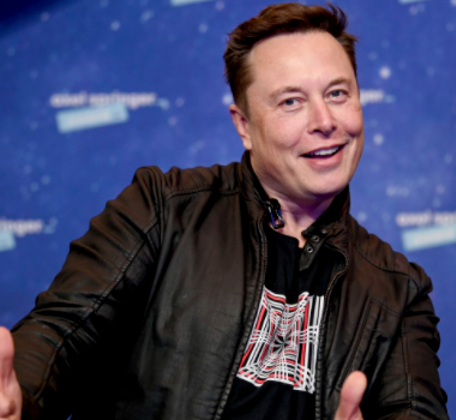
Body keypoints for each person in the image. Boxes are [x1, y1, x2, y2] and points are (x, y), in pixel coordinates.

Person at [0, 3, 449, 420]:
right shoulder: (162, 208)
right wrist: (19, 397)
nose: (324, 121)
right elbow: (65, 332)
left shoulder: (399, 290)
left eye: (337, 93)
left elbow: (414, 410)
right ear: (244, 125)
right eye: (291, 101)